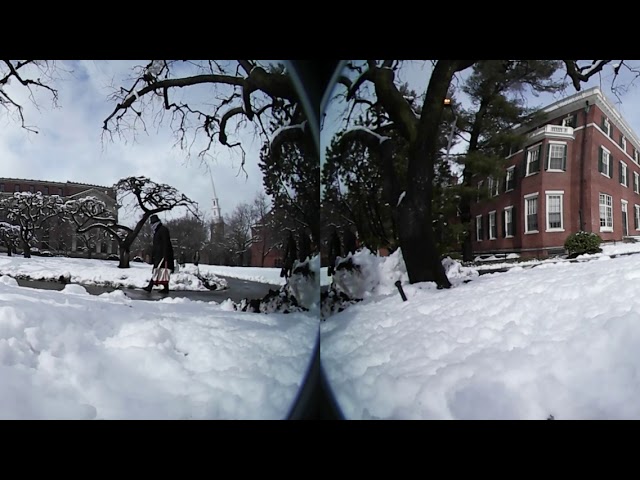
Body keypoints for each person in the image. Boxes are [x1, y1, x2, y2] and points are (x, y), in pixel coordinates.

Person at [143, 214, 175, 293]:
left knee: (159, 271)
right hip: (160, 254)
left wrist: (165, 255)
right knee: (160, 271)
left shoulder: (162, 230)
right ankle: (164, 288)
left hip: (163, 255)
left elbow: (165, 243)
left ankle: (150, 287)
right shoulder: (158, 230)